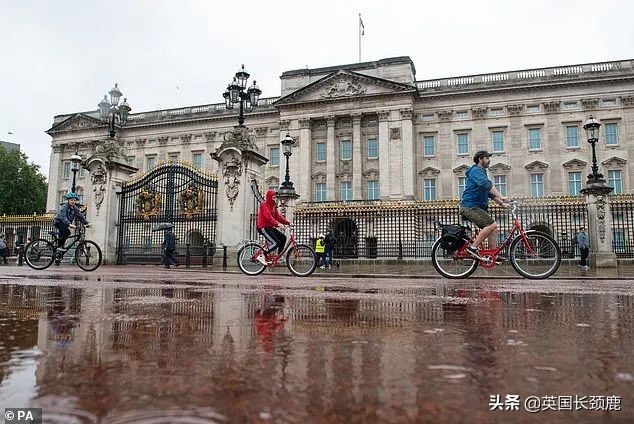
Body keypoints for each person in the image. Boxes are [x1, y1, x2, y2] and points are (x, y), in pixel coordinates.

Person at [460, 150, 509, 260]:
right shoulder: (475, 171)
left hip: (476, 207)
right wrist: (501, 196)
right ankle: (472, 248)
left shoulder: (481, 172)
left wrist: (502, 203)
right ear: (480, 159)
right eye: (486, 158)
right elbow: (486, 185)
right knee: (491, 225)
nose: (489, 160)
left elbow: (489, 193)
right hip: (470, 206)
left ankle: (492, 255)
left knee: (494, 229)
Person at [256, 190, 290, 265]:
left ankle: (278, 257)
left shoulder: (273, 206)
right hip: (263, 227)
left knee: (283, 238)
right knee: (276, 242)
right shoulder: (264, 204)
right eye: (273, 197)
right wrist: (278, 224)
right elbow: (268, 217)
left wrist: (288, 223)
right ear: (269, 197)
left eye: (275, 198)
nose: (275, 199)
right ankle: (262, 255)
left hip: (269, 227)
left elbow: (278, 217)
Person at [53, 192, 89, 257]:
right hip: (59, 222)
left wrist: (87, 223)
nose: (73, 201)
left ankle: (58, 256)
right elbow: (63, 216)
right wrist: (69, 224)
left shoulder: (75, 208)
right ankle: (60, 247)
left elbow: (80, 216)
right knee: (67, 232)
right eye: (71, 200)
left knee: (64, 234)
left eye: (74, 200)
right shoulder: (65, 206)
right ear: (68, 200)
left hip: (65, 223)